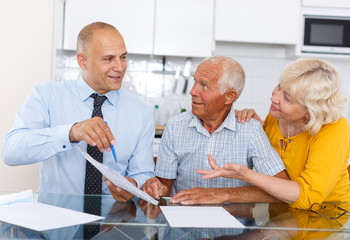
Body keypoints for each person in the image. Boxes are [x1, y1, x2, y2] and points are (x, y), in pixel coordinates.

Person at [1, 22, 155, 202]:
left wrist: (134, 184)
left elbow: (143, 173)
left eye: (123, 57)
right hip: (56, 224)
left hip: (114, 224)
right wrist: (71, 132)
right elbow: (11, 152)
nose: (120, 67)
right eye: (108, 59)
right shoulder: (46, 95)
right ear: (83, 61)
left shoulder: (141, 111)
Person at [198, 58, 350, 210]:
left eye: (287, 98)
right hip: (282, 215)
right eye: (279, 86)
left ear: (310, 112)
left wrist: (247, 175)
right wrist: (251, 123)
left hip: (328, 219)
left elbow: (309, 197)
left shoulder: (334, 128)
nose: (274, 97)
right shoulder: (276, 116)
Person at [141, 56, 288, 204]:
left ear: (229, 96)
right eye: (195, 81)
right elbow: (166, 184)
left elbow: (282, 189)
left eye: (204, 85)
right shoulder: (175, 126)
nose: (192, 91)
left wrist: (220, 195)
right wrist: (156, 187)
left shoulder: (250, 130)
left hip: (236, 223)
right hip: (182, 223)